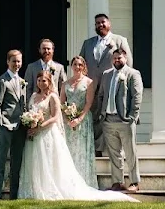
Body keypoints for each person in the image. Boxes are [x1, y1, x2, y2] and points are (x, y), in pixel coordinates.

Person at [17, 68, 136, 201]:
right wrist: (30, 122)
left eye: (44, 80)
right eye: (39, 80)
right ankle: (35, 189)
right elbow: (30, 112)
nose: (41, 83)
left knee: (48, 163)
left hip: (47, 133)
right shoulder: (33, 96)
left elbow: (55, 117)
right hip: (33, 136)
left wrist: (39, 127)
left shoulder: (53, 97)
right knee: (35, 161)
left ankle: (49, 189)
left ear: (49, 82)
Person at [78, 13, 131, 152]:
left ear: (109, 23)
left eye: (103, 22)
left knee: (107, 117)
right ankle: (94, 148)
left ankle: (107, 148)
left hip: (111, 85)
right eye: (97, 23)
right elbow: (81, 64)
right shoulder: (88, 43)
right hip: (91, 87)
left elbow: (128, 64)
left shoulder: (119, 40)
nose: (100, 25)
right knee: (94, 116)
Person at [96, 47, 144, 192]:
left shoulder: (132, 74)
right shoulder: (106, 74)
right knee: (114, 153)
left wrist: (132, 117)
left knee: (130, 152)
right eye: (115, 58)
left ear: (125, 58)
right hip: (108, 120)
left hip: (125, 120)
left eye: (119, 58)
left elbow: (137, 96)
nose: (117, 60)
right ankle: (117, 182)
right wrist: (102, 114)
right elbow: (101, 95)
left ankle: (135, 182)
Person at [0, 49, 28, 200]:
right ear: (8, 62)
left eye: (19, 61)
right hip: (5, 125)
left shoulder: (22, 81)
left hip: (20, 126)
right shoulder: (2, 81)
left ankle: (14, 195)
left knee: (16, 162)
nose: (16, 64)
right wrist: (0, 123)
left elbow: (23, 104)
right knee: (0, 161)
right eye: (14, 61)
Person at [61, 54, 96, 187]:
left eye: (80, 65)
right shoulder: (65, 84)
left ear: (84, 66)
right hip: (68, 122)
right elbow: (61, 103)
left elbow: (89, 103)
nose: (77, 67)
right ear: (71, 66)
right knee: (69, 150)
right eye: (75, 64)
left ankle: (84, 181)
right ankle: (69, 182)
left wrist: (79, 118)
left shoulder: (88, 82)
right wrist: (67, 119)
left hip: (83, 120)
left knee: (81, 151)